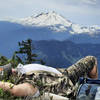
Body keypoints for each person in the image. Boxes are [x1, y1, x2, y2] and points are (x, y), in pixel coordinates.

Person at [0, 56, 98, 99]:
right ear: (10, 80)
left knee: (91, 60)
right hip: (66, 86)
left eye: (10, 68)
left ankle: (92, 83)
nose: (13, 70)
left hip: (64, 73)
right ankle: (93, 89)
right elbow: (14, 90)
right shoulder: (26, 85)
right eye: (11, 72)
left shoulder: (21, 70)